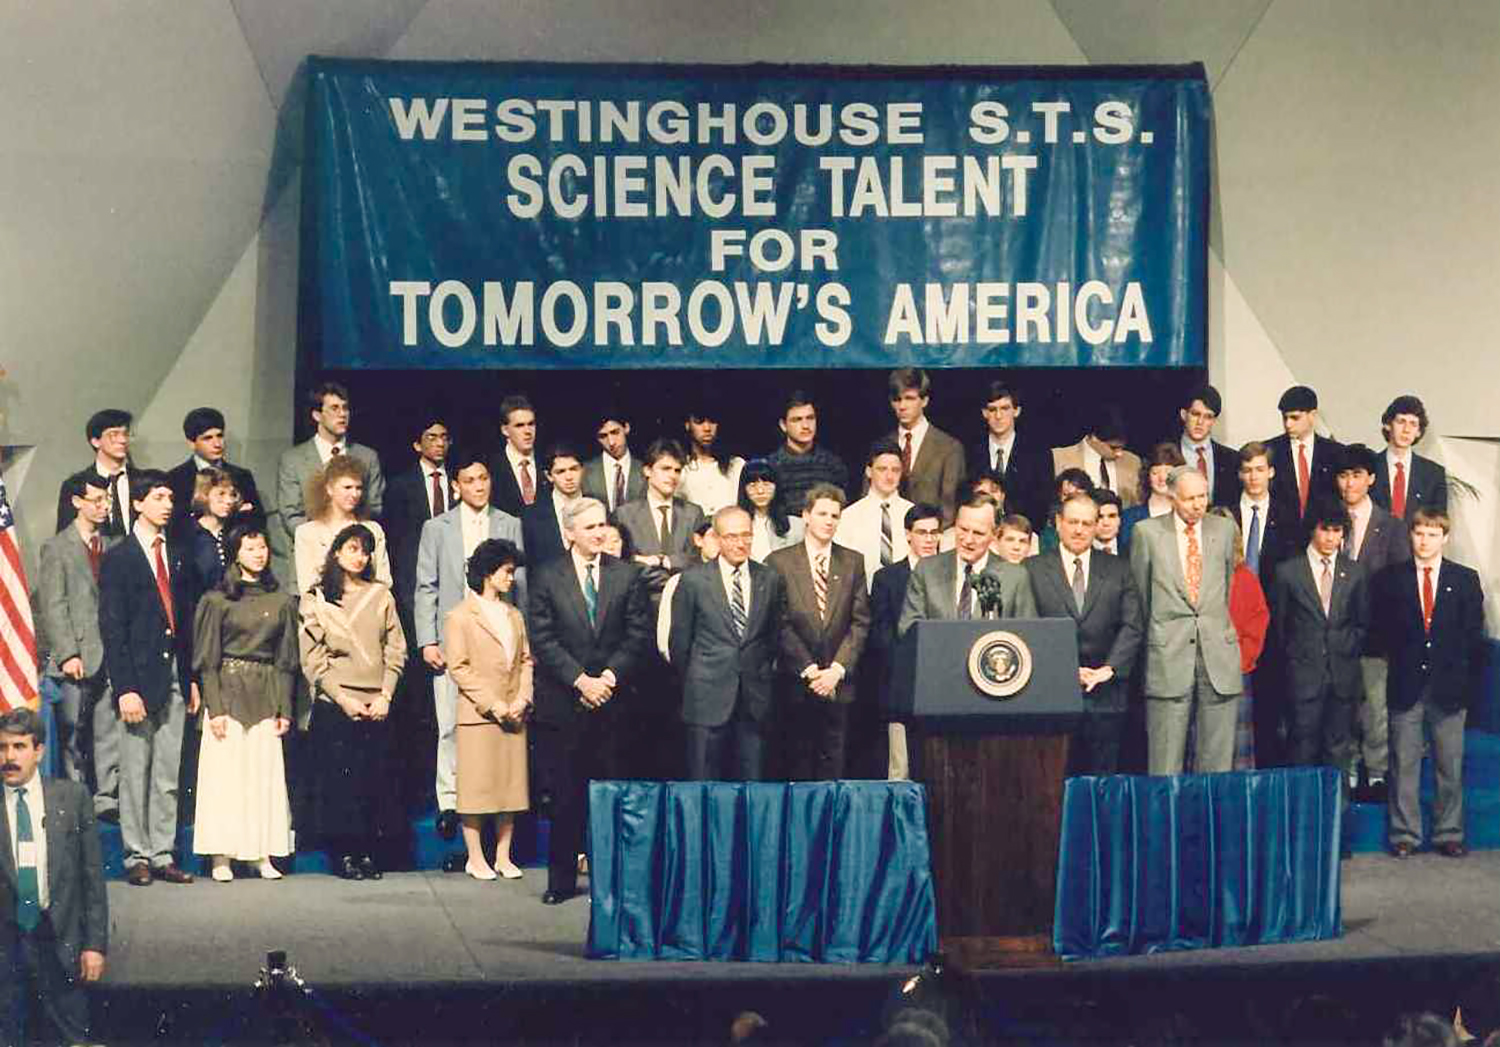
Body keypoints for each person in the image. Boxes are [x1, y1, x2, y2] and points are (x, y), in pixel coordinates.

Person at [528, 498, 651, 903]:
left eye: (603, 525)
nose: (599, 532)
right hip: (565, 704)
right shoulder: (546, 576)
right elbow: (543, 639)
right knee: (565, 799)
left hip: (614, 704)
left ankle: (611, 881)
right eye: (590, 527)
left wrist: (609, 678)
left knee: (612, 796)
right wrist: (582, 681)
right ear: (570, 533)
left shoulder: (627, 575)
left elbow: (637, 635)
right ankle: (561, 882)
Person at [414, 451, 526, 847]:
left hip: (498, 636)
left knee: (497, 726)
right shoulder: (437, 527)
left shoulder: (509, 523)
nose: (479, 486)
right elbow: (426, 584)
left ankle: (494, 800)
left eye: (484, 478)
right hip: (455, 635)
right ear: (456, 486)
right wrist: (427, 638)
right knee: (450, 725)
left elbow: (520, 584)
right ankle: (450, 800)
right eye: (470, 480)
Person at [98, 469, 200, 886]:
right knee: (136, 769)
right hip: (138, 681)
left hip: (174, 673)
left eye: (170, 497)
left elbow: (186, 621)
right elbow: (113, 627)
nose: (167, 504)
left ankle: (162, 853)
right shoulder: (119, 557)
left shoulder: (176, 553)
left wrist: (191, 677)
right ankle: (135, 855)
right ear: (138, 503)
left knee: (167, 772)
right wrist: (125, 689)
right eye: (158, 497)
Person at [1371, 508, 1484, 859]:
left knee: (1449, 764)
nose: (1425, 540)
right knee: (1404, 763)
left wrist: (1463, 680)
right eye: (1419, 533)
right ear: (1411, 536)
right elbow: (1380, 632)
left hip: (1449, 687)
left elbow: (1471, 635)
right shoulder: (1391, 579)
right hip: (1406, 684)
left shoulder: (1464, 579)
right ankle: (1405, 834)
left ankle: (1449, 833)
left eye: (1433, 534)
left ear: (1445, 538)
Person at [191, 522, 299, 883]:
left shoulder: (281, 600)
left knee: (263, 777)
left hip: (266, 693)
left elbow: (287, 660)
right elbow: (207, 658)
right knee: (225, 778)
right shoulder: (216, 600)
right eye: (251, 548)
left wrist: (284, 707)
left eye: (263, 547)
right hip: (228, 694)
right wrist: (215, 708)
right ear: (236, 552)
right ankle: (222, 856)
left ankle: (260, 854)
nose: (259, 553)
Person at [298, 524, 407, 880]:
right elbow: (312, 658)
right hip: (337, 704)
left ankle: (368, 854)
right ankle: (344, 855)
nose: (360, 557)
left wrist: (386, 695)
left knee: (374, 782)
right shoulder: (316, 599)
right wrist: (342, 699)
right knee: (340, 785)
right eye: (353, 549)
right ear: (336, 553)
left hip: (377, 702)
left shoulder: (382, 595)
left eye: (365, 551)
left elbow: (396, 649)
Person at [0, 708, 108, 1046]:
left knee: (73, 1038)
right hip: (7, 946)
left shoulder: (72, 799)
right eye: (2, 748)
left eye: (18, 747)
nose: (9, 757)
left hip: (59, 941)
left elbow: (92, 879)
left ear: (39, 751)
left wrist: (94, 944)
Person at [1128, 467, 1242, 775]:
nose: (1198, 504)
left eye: (1203, 496)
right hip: (1168, 655)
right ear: (1171, 497)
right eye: (1190, 498)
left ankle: (1213, 823)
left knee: (1217, 765)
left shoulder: (1224, 529)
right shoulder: (1147, 533)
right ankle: (1165, 824)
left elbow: (1226, 587)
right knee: (1165, 765)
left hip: (1217, 655)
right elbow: (1141, 597)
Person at [1025, 492, 1143, 776]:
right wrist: (1066, 669)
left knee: (1103, 787)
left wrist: (1108, 669)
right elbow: (1028, 627)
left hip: (1106, 696)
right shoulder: (1032, 569)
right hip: (1053, 695)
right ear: (1058, 522)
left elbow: (1133, 625)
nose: (1079, 530)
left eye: (1087, 523)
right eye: (1073, 522)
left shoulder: (1119, 568)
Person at [670, 506, 787, 781]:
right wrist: (700, 680)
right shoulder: (693, 580)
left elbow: (773, 637)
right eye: (732, 536)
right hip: (706, 699)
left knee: (752, 786)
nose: (740, 543)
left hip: (754, 701)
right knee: (703, 784)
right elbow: (680, 644)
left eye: (746, 535)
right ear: (718, 539)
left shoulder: (769, 578)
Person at [767, 483, 871, 780]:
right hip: (796, 684)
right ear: (806, 516)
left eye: (835, 515)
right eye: (822, 513)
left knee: (834, 770)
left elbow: (860, 621)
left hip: (839, 685)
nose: (829, 521)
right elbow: (779, 623)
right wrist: (811, 671)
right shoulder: (779, 562)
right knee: (797, 770)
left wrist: (836, 671)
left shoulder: (853, 562)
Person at [442, 539, 532, 882]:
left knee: (511, 787)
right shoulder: (460, 616)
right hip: (481, 713)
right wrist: (494, 704)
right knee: (477, 788)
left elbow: (526, 661)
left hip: (514, 711)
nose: (511, 578)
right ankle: (476, 857)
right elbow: (460, 668)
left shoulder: (514, 615)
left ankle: (503, 856)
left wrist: (522, 699)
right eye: (507, 571)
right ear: (488, 573)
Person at [1268, 503, 1367, 793]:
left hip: (1342, 676)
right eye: (1325, 530)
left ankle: (1336, 822)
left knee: (1339, 751)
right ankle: (1302, 820)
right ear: (1313, 529)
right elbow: (1279, 627)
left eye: (1337, 531)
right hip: (1302, 676)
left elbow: (1362, 624)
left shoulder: (1356, 573)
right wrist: (1298, 657)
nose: (1330, 538)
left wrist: (1344, 649)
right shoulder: (1288, 572)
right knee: (1302, 748)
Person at [37, 476, 119, 797]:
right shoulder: (57, 548)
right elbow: (53, 605)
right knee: (73, 731)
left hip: (110, 653)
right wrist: (68, 652)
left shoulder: (113, 545)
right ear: (77, 502)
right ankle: (75, 795)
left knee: (108, 730)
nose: (103, 507)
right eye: (96, 500)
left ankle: (106, 796)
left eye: (106, 501)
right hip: (78, 655)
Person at [1337, 443, 1410, 801]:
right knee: (1343, 703)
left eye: (1356, 476)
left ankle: (1377, 772)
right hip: (1336, 632)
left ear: (1371, 479)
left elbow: (1400, 583)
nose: (1349, 483)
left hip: (1377, 633)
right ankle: (1348, 768)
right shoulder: (1326, 519)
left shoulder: (1392, 527)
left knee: (1376, 707)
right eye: (1344, 475)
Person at [1228, 440, 1295, 766]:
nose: (1253, 477)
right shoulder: (1222, 513)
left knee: (1269, 709)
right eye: (1247, 471)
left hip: (1273, 626)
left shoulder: (1289, 516)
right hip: (1230, 626)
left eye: (1259, 470)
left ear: (1270, 472)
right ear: (1239, 475)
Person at [868, 504, 943, 779]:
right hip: (901, 683)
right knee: (900, 769)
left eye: (935, 533)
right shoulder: (886, 578)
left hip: (943, 683)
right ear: (907, 535)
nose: (929, 539)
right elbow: (881, 634)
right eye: (922, 532)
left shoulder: (953, 574)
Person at [275, 381, 384, 562]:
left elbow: (374, 507)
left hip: (357, 558)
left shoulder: (367, 457)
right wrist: (326, 543)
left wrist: (350, 543)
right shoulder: (293, 460)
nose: (342, 414)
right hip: (312, 557)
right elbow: (291, 514)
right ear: (317, 415)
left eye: (345, 408)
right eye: (334, 408)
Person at [898, 494, 1037, 633]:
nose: (968, 540)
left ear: (994, 535)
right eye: (963, 529)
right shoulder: (926, 571)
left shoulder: (1015, 577)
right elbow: (908, 630)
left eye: (978, 533)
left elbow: (1028, 635)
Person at [1206, 507, 1271, 772]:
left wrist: (1237, 662)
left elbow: (1257, 623)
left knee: (1236, 755)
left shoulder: (1245, 577)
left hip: (1235, 675)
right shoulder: (1193, 574)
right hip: (1197, 674)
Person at [381, 412, 452, 624]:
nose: (440, 443)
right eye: (432, 437)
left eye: (444, 437)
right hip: (415, 578)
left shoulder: (461, 480)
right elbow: (396, 541)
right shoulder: (400, 486)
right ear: (417, 445)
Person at [615, 438, 705, 599]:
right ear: (647, 471)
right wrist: (674, 578)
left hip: (686, 602)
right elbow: (625, 566)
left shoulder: (693, 513)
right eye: (666, 468)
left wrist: (661, 560)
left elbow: (698, 559)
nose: (673, 476)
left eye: (677, 470)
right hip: (643, 605)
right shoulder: (624, 515)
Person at [293, 454, 392, 594]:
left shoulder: (373, 530)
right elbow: (307, 586)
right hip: (324, 610)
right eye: (347, 487)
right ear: (329, 489)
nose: (354, 494)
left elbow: (383, 580)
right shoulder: (307, 533)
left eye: (358, 488)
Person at [165, 406, 264, 539]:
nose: (217, 444)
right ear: (191, 443)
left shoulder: (242, 476)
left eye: (220, 436)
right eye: (207, 438)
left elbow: (258, 520)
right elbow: (174, 525)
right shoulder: (176, 478)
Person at [965, 379, 1052, 528]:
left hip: (1022, 538)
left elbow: (1042, 506)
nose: (998, 416)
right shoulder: (970, 452)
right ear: (984, 413)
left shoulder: (1038, 454)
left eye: (1005, 408)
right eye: (992, 409)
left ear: (1016, 411)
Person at [885, 368, 965, 526]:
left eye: (909, 398)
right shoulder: (882, 446)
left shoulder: (949, 448)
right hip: (888, 539)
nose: (902, 406)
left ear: (925, 400)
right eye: (897, 399)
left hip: (933, 540)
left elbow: (951, 507)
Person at [835, 440, 913, 588]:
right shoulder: (849, 517)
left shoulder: (913, 513)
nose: (889, 476)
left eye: (895, 470)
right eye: (882, 469)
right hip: (863, 598)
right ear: (869, 471)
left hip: (907, 598)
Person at [1266, 385, 1343, 528]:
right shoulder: (1270, 450)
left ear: (1312, 415)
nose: (1288, 424)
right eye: (1285, 418)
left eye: (1295, 418)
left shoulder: (1335, 452)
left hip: (1322, 538)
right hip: (1281, 540)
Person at [765, 390, 849, 514]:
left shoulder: (832, 464)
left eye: (810, 418)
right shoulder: (770, 466)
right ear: (783, 425)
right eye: (797, 420)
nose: (805, 425)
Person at [55, 408, 134, 538]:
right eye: (114, 435)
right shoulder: (75, 485)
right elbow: (65, 539)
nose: (123, 440)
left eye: (125, 434)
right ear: (95, 441)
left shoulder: (144, 481)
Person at [1373, 394, 1448, 522]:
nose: (1406, 430)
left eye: (1413, 424)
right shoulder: (1370, 466)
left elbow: (1437, 522)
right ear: (1388, 425)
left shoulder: (1434, 474)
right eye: (1401, 422)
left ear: (1419, 431)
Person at [1051, 405, 1141, 508]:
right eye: (1113, 447)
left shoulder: (1133, 461)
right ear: (1093, 438)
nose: (1119, 454)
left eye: (1122, 448)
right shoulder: (1059, 458)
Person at [658, 519, 719, 661]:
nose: (720, 542)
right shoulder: (681, 580)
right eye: (714, 536)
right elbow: (665, 639)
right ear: (699, 540)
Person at [521, 442, 585, 566]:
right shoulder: (531, 516)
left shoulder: (599, 507)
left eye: (573, 469)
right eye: (560, 472)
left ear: (582, 469)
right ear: (549, 476)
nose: (569, 477)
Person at [1176, 384, 1238, 508]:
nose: (1200, 422)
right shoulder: (1167, 455)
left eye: (1208, 417)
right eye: (1195, 414)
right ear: (1183, 414)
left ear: (1214, 421)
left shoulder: (1232, 459)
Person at [678, 402, 745, 516]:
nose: (707, 428)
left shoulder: (736, 465)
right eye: (699, 421)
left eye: (712, 421)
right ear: (687, 425)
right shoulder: (679, 467)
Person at [185, 467, 243, 592]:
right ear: (204, 496)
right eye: (221, 494)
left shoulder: (236, 532)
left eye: (232, 494)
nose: (229, 501)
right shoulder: (188, 535)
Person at [1118, 442, 1184, 553]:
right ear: (1147, 476)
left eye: (1168, 472)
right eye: (1155, 473)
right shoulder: (1129, 517)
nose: (1162, 478)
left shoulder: (1186, 514)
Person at [738, 457, 805, 562]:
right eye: (752, 485)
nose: (760, 491)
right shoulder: (736, 525)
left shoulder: (796, 526)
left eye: (766, 484)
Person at [489, 394, 545, 516]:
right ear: (505, 430)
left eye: (531, 424)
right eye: (519, 425)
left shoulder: (547, 462)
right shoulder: (491, 468)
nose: (527, 431)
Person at [582, 408, 644, 515]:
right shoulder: (585, 471)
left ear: (626, 428)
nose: (611, 442)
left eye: (615, 432)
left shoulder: (644, 469)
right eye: (603, 436)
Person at [1093, 490, 1123, 555]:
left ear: (1120, 519)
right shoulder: (1082, 551)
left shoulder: (1131, 549)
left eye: (1112, 516)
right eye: (1099, 517)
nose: (1106, 523)